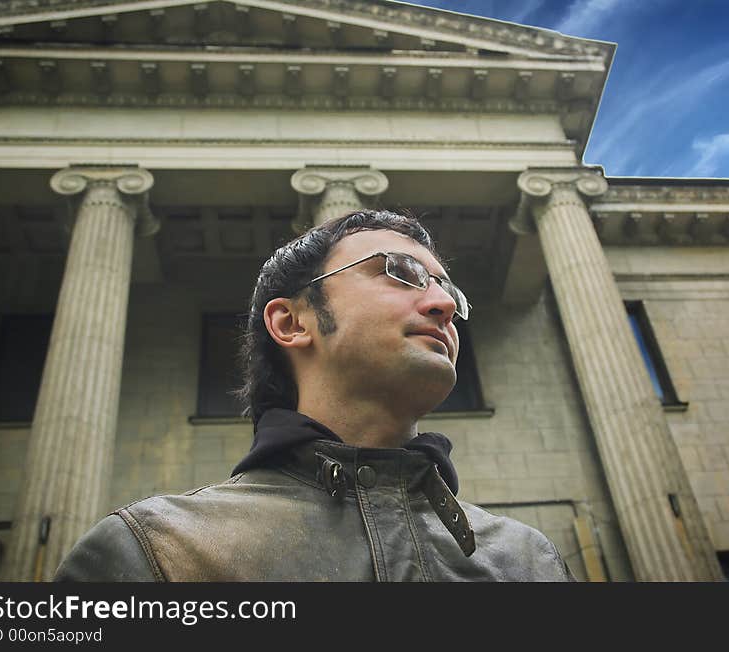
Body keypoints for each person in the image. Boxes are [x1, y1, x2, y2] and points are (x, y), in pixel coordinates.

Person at [54, 209, 576, 582]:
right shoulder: (156, 553)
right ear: (292, 322)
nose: (442, 303)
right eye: (401, 273)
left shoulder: (529, 561)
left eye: (448, 290)